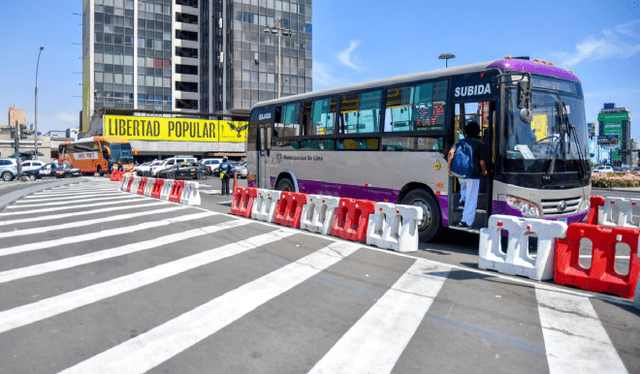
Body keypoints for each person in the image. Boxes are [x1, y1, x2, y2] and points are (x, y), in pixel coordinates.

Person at [448, 121, 488, 228]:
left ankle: (462, 200)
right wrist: (484, 172)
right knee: (472, 197)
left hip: (460, 173)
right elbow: (482, 162)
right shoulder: (480, 145)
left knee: (463, 186)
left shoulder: (459, 142)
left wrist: (449, 169)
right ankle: (466, 221)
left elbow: (451, 153)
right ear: (478, 132)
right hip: (473, 174)